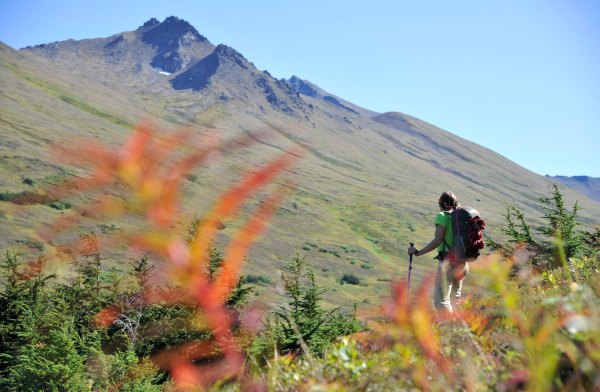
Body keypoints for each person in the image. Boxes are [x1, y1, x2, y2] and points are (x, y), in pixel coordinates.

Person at [407, 191, 468, 313]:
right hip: (463, 262)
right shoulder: (460, 217)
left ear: (441, 203)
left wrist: (418, 252)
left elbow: (438, 240)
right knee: (455, 300)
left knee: (441, 301)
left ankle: (450, 329)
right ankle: (462, 328)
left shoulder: (442, 216)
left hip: (448, 263)